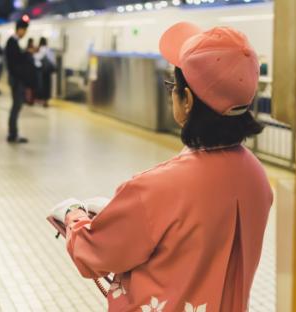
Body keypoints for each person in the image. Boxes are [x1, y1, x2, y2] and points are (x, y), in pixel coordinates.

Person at [50, 22, 272, 311]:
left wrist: (72, 216)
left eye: (173, 86)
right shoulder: (256, 176)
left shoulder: (154, 188)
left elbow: (95, 254)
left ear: (187, 100)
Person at [5, 19, 31, 144]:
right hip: (16, 81)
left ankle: (13, 132)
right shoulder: (12, 42)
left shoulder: (13, 42)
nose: (25, 33)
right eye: (25, 30)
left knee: (17, 106)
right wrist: (26, 54)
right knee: (16, 106)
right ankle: (12, 134)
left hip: (16, 79)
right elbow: (15, 63)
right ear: (20, 29)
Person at [34, 37, 55, 108]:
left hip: (40, 70)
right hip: (48, 71)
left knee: (40, 85)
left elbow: (36, 59)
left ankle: (40, 99)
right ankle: (46, 101)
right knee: (47, 86)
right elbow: (52, 60)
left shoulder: (38, 49)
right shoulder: (48, 50)